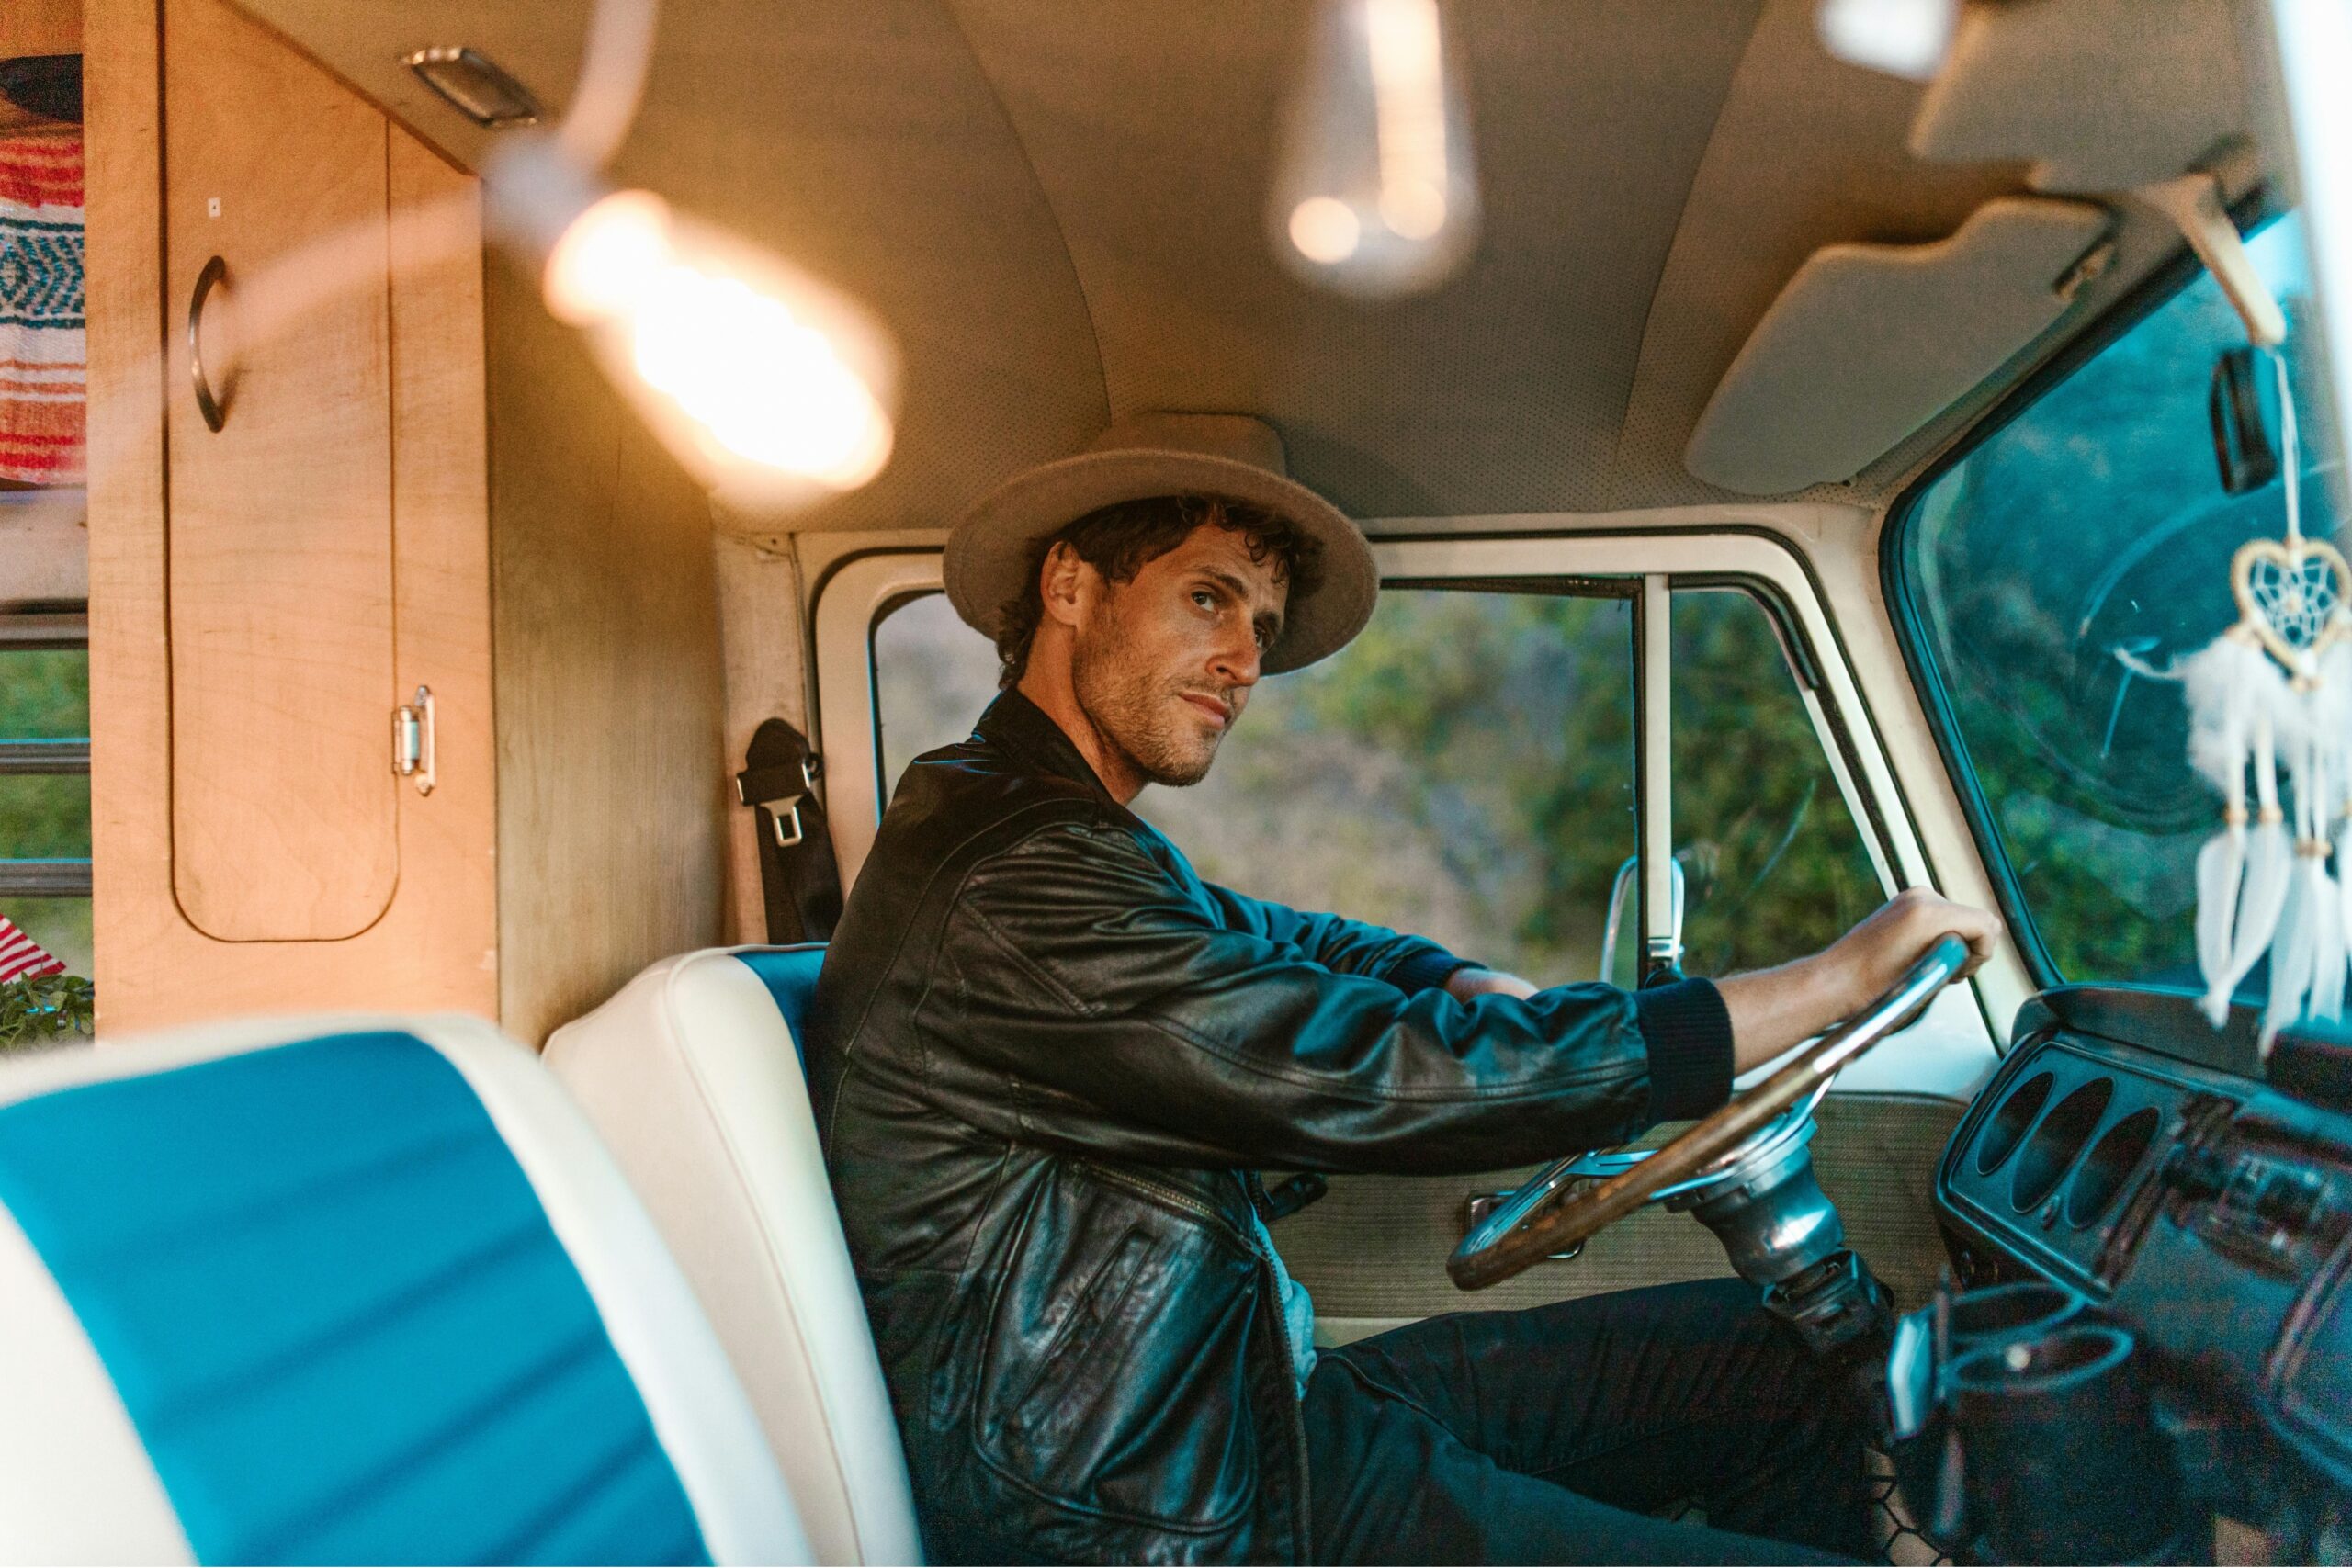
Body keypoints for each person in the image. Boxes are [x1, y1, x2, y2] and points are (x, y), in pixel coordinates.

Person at [804, 413, 2001, 1565]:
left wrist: (1455, 976)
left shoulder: (1034, 827)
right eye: (1209, 596)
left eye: (1261, 626)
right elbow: (1366, 1071)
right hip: (1168, 1511)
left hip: (1216, 1407)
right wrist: (1827, 983)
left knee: (1773, 1360)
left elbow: (1290, 941)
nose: (1243, 660)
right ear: (1071, 586)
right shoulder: (1014, 881)